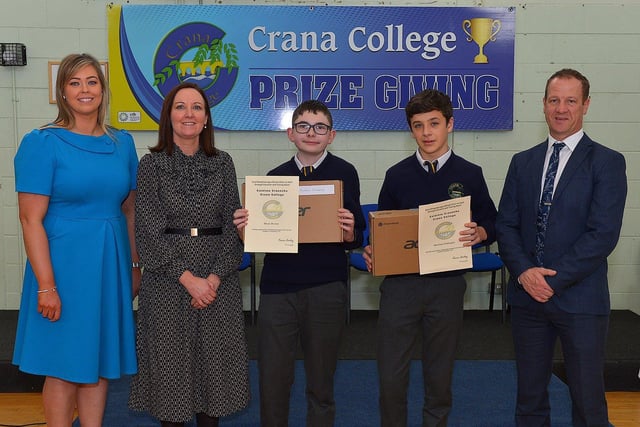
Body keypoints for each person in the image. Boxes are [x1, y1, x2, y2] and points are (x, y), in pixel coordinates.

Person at [12, 53, 139, 427]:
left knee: (99, 361)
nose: (85, 90)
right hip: (62, 267)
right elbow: (29, 219)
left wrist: (134, 265)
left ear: (103, 89)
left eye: (92, 81)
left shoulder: (123, 143)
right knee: (64, 364)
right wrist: (46, 286)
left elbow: (129, 210)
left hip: (110, 264)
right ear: (62, 93)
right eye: (75, 83)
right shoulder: (41, 142)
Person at [495, 68, 627, 426]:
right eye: (554, 100)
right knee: (530, 400)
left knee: (588, 402)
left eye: (571, 100)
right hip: (527, 301)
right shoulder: (522, 162)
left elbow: (602, 234)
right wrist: (524, 273)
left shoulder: (608, 162)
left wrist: (551, 280)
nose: (561, 108)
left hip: (580, 300)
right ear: (543, 105)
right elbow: (505, 224)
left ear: (586, 105)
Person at [363, 89, 498, 427]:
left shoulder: (470, 173)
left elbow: (492, 221)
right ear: (411, 129)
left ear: (450, 124)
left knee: (440, 375)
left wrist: (481, 233)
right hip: (400, 288)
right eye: (418, 125)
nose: (426, 132)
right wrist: (373, 249)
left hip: (447, 287)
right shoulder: (397, 174)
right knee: (391, 375)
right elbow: (383, 227)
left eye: (434, 123)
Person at [233, 99, 365, 426]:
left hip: (326, 287)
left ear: (331, 135)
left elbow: (359, 235)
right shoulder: (274, 178)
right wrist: (244, 231)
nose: (311, 133)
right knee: (274, 380)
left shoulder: (345, 173)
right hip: (279, 290)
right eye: (304, 126)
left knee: (321, 381)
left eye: (320, 127)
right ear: (291, 133)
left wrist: (350, 231)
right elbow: (259, 239)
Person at [128, 82, 250, 427]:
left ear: (207, 118)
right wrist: (188, 280)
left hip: (218, 281)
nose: (189, 114)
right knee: (172, 372)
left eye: (197, 107)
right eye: (180, 107)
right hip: (168, 284)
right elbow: (147, 233)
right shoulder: (150, 165)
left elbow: (233, 226)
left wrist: (210, 280)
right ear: (168, 116)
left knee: (214, 372)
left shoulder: (223, 163)